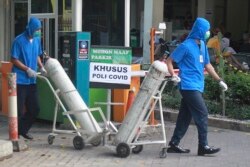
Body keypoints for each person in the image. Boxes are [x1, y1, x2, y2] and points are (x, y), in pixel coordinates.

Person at [166, 17, 228, 156]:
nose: (208, 33)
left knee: (185, 116)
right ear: (200, 30)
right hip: (188, 86)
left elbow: (208, 65)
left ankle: (174, 144)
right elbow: (169, 61)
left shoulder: (202, 46)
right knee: (202, 113)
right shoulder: (185, 46)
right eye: (206, 30)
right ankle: (203, 146)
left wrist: (219, 80)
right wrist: (173, 75)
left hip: (197, 85)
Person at [11, 17, 47, 140]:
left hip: (32, 81)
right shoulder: (19, 40)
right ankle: (15, 134)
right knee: (19, 110)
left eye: (39, 29)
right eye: (37, 29)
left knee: (35, 109)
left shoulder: (37, 40)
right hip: (20, 81)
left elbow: (37, 55)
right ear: (31, 28)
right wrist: (27, 69)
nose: (38, 31)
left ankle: (22, 130)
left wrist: (41, 67)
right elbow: (14, 59)